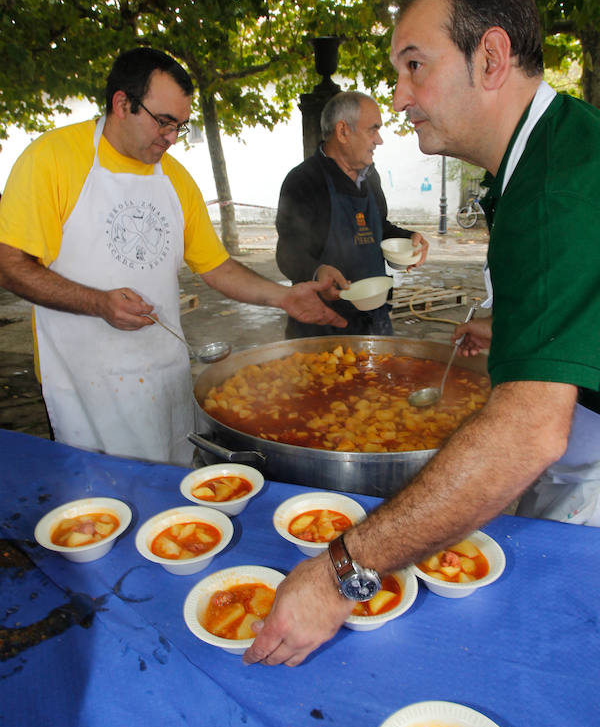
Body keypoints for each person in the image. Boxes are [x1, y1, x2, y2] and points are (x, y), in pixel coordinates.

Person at [243, 0, 600, 668]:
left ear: (491, 58)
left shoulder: (557, 185)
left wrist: (342, 571)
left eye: (414, 66)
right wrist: (517, 330)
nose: (399, 99)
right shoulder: (544, 160)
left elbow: (528, 435)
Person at [0, 48, 346, 466]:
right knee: (99, 504)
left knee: (174, 492)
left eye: (179, 126)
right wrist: (98, 303)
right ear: (122, 103)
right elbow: (11, 265)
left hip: (165, 376)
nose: (170, 137)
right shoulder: (51, 159)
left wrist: (283, 297)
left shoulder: (176, 179)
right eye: (163, 122)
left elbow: (216, 267)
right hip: (85, 385)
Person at [275, 91, 428, 337]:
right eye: (373, 130)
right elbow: (287, 252)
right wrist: (316, 272)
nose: (379, 140)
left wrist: (407, 239)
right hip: (322, 324)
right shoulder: (304, 180)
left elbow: (377, 226)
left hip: (375, 320)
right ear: (343, 131)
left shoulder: (370, 176)